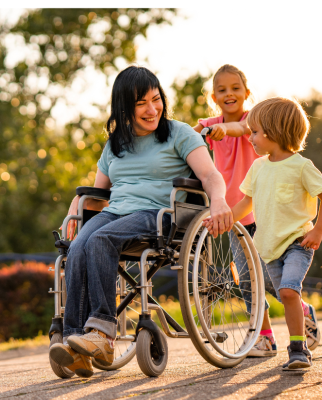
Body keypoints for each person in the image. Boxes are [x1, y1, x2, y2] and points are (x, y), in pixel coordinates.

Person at [49, 65, 233, 378]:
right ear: (124, 108)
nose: (153, 109)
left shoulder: (178, 133)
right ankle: (75, 344)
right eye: (141, 104)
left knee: (99, 240)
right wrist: (76, 205)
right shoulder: (115, 145)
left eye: (156, 99)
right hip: (115, 212)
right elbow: (98, 193)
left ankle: (103, 335)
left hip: (159, 214)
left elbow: (209, 175)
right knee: (78, 245)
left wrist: (218, 201)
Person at [194, 64, 321, 357]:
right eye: (222, 90)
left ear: (247, 93)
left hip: (264, 215)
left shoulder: (257, 120)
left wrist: (224, 129)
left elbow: (241, 128)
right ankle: (264, 338)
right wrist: (191, 135)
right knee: (250, 282)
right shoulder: (210, 122)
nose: (229, 94)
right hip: (235, 213)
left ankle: (303, 311)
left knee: (277, 284)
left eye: (236, 88)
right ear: (214, 96)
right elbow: (191, 135)